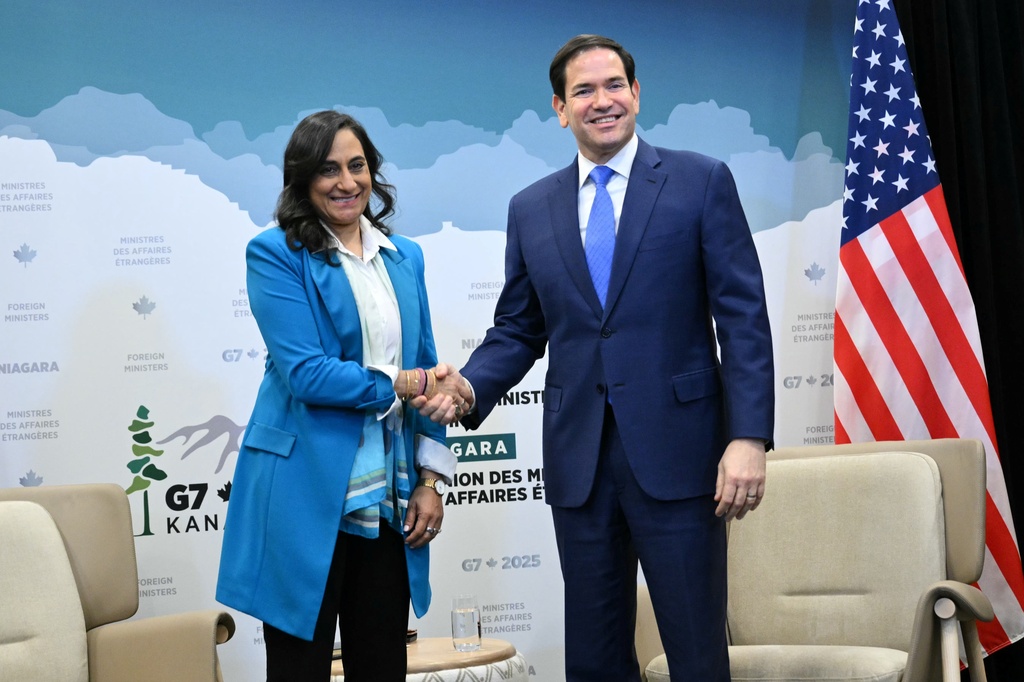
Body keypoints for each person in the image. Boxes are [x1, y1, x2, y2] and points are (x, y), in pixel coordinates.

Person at [416, 35, 774, 681]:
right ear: (559, 108)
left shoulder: (700, 181)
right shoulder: (531, 207)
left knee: (695, 648)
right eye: (584, 90)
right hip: (580, 460)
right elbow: (521, 329)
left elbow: (743, 319)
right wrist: (469, 386)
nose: (601, 101)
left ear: (636, 94)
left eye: (614, 85)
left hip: (681, 455)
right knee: (595, 655)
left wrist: (747, 436)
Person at [216, 110, 464, 682]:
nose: (346, 182)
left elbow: (426, 363)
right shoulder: (275, 253)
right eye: (328, 169)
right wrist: (407, 383)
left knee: (382, 662)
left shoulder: (406, 258)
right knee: (299, 668)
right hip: (303, 492)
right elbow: (308, 374)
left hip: (388, 499)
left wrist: (430, 482)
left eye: (357, 166)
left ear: (373, 174)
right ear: (303, 179)